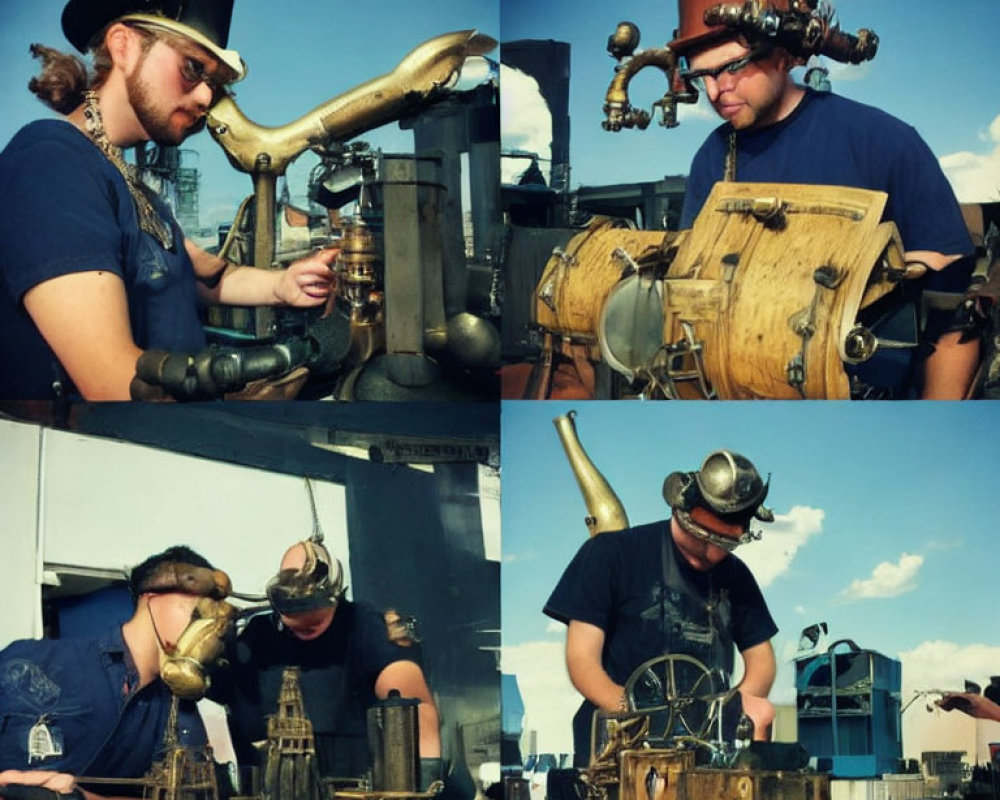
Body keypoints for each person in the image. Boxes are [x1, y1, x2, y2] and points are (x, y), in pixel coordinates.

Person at [0, 0, 337, 403]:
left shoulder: (133, 187)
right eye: (193, 69)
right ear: (123, 46)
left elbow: (197, 273)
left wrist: (283, 285)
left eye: (215, 83)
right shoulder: (51, 163)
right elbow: (112, 383)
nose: (205, 97)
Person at [670, 0, 978, 399]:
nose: (715, 90)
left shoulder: (884, 141)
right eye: (702, 76)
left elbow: (951, 315)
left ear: (784, 53)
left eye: (732, 67)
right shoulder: (714, 157)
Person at [544, 450, 778, 767]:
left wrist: (727, 711)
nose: (711, 553)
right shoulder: (609, 555)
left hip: (704, 753)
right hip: (617, 746)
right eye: (701, 537)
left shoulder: (736, 576)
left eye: (724, 543)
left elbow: (762, 660)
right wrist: (639, 715)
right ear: (679, 506)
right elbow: (581, 660)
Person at [0, 546, 234, 797]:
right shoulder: (33, 661)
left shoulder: (179, 710)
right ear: (152, 599)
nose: (208, 626)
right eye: (198, 609)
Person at [211, 539, 442, 787]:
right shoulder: (257, 637)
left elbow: (416, 710)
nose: (304, 621)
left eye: (313, 617)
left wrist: (421, 787)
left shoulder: (365, 627)